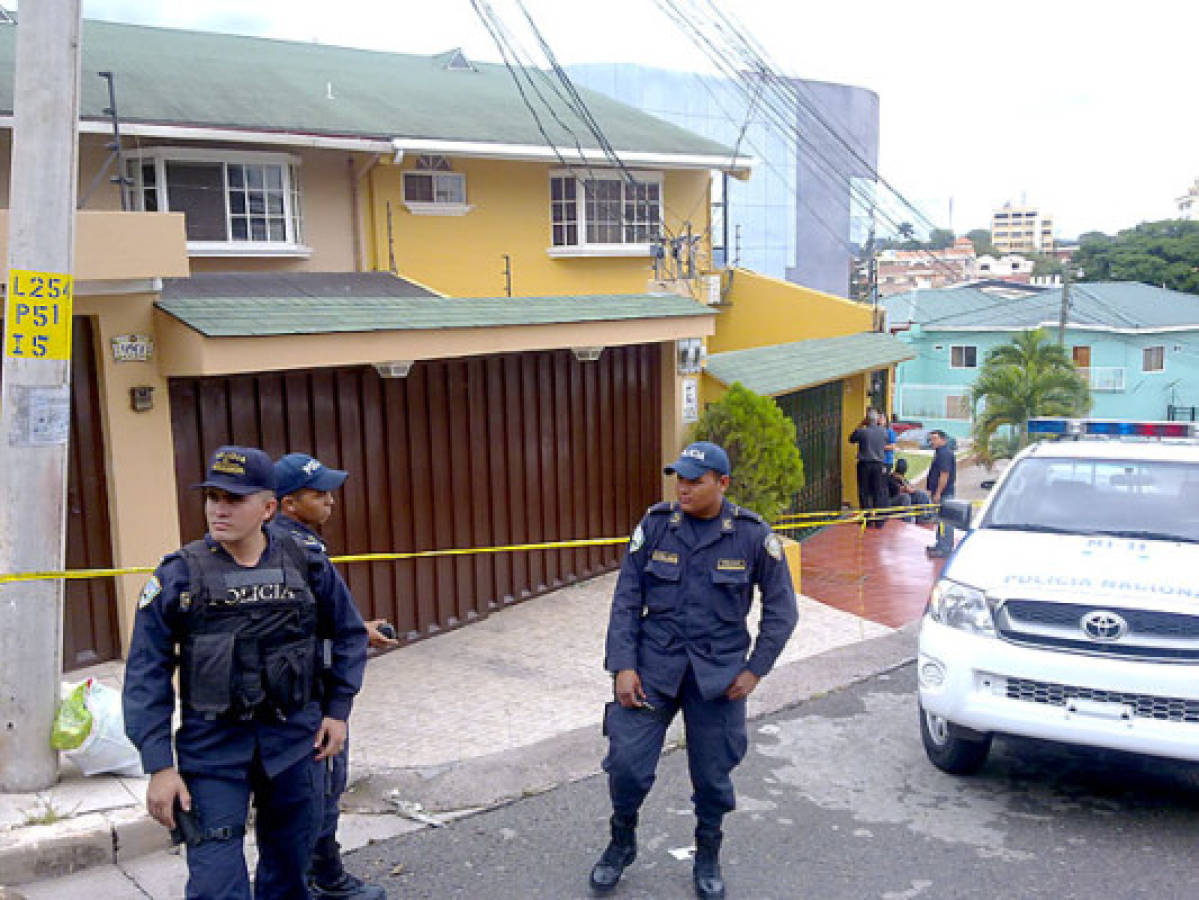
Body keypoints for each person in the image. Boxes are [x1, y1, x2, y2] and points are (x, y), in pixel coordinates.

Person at [123, 446, 369, 900]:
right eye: (213, 496)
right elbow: (146, 672)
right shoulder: (179, 576)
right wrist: (158, 765)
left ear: (268, 508)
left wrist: (337, 711)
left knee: (289, 875)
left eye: (234, 499)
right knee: (216, 885)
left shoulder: (306, 562)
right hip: (213, 751)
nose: (219, 508)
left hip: (297, 744)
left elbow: (350, 634)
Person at [590, 441, 798, 899]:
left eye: (694, 481)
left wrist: (755, 669)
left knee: (712, 775)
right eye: (679, 479)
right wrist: (622, 666)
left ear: (722, 484)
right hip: (652, 669)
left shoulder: (751, 535)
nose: (683, 488)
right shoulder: (657, 525)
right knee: (625, 764)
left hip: (718, 678)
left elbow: (782, 611)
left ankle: (707, 853)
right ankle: (621, 841)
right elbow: (626, 598)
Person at [272, 452, 398, 900]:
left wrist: (359, 630)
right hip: (310, 699)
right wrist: (337, 708)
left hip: (292, 694)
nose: (330, 501)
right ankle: (317, 880)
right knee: (318, 794)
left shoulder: (275, 544)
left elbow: (308, 620)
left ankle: (318, 873)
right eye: (317, 494)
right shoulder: (300, 549)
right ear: (288, 503)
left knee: (312, 793)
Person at [848, 410, 889, 528]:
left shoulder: (862, 432)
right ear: (877, 420)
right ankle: (879, 520)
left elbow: (851, 439)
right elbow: (885, 441)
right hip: (878, 464)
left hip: (865, 463)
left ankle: (866, 519)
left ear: (867, 419)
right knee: (878, 491)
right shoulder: (883, 432)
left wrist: (860, 424)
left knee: (864, 491)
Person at [925, 430, 957, 557]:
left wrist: (938, 492)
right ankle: (940, 544)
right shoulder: (939, 453)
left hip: (945, 493)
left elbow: (944, 475)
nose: (932, 441)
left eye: (934, 438)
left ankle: (945, 547)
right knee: (940, 519)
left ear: (943, 440)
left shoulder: (944, 454)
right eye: (931, 439)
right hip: (940, 492)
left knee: (946, 520)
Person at [887, 458, 933, 523]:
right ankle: (907, 522)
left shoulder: (902, 478)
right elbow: (904, 489)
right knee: (905, 497)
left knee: (920, 494)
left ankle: (924, 517)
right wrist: (903, 482)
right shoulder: (891, 478)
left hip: (902, 498)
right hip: (892, 501)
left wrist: (904, 481)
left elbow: (911, 488)